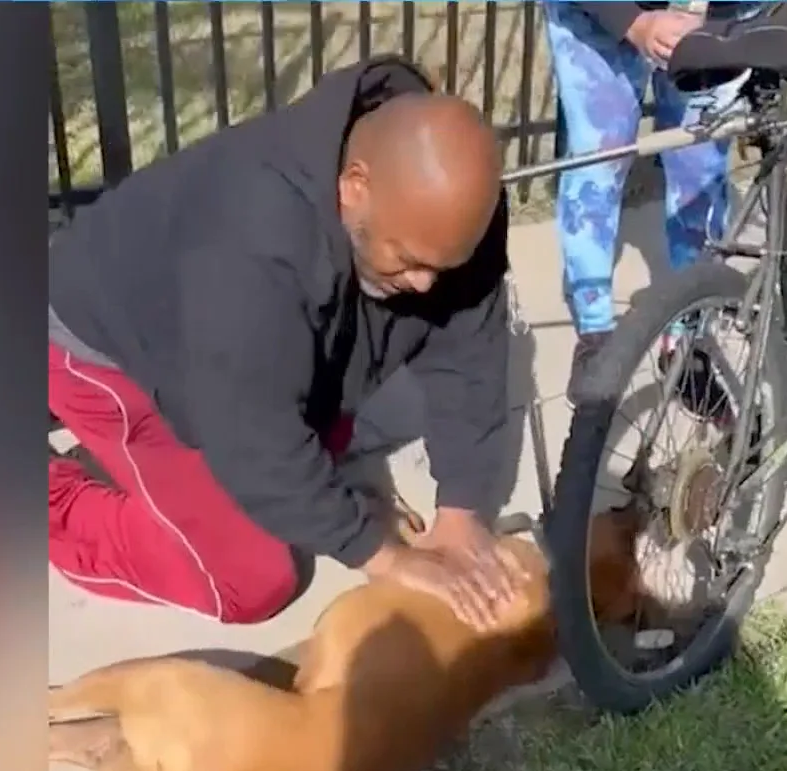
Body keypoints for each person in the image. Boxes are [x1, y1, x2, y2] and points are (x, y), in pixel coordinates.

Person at [48, 57, 528, 632]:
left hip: (219, 345)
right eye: (409, 261)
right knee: (250, 577)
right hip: (105, 346)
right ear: (355, 187)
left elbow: (470, 343)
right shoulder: (252, 244)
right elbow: (255, 443)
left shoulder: (450, 215)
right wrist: (383, 555)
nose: (426, 284)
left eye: (441, 265)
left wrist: (462, 511)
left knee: (310, 461)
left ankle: (158, 475)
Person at [544, 1, 740, 408]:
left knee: (701, 173)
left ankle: (690, 328)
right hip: (598, 15)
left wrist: (719, 22)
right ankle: (596, 335)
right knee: (598, 161)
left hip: (709, 19)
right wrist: (632, 22)